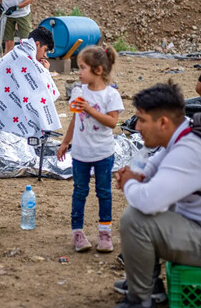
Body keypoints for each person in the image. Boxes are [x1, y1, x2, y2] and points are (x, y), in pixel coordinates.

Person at [113, 81, 201, 308]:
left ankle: (140, 300)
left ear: (163, 122)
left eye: (141, 120)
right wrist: (133, 175)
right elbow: (149, 170)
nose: (137, 127)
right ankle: (150, 287)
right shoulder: (186, 134)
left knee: (135, 219)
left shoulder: (189, 150)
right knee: (154, 204)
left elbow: (148, 201)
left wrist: (129, 183)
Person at [57, 45, 123, 253]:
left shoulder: (110, 96)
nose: (79, 72)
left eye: (82, 67)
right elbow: (76, 119)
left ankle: (105, 233)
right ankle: (78, 232)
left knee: (103, 192)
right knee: (80, 191)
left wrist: (89, 109)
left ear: (98, 70)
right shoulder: (80, 92)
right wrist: (66, 142)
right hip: (81, 154)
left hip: (103, 153)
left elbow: (112, 122)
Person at [0, 26, 60, 138]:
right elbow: (42, 91)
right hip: (2, 118)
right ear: (37, 44)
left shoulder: (18, 52)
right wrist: (45, 71)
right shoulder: (24, 60)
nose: (45, 55)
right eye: (45, 50)